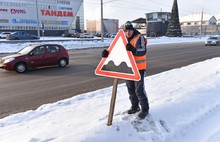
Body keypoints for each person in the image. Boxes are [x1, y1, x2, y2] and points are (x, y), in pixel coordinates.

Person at [102, 21, 149, 119]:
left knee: (139, 90)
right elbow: (116, 50)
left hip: (139, 69)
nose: (128, 33)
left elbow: (143, 51)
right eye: (126, 31)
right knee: (131, 90)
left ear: (133, 30)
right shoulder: (123, 39)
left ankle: (145, 110)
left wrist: (134, 50)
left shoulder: (139, 37)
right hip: (128, 69)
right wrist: (107, 53)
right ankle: (135, 107)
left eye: (130, 30)